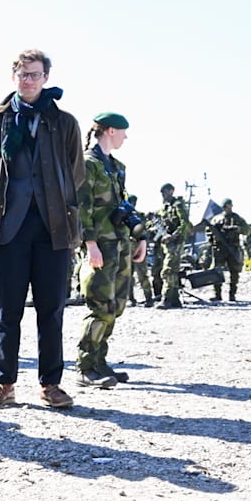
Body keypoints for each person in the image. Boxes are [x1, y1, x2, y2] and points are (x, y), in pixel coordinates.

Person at [0, 49, 85, 411]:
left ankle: (51, 384)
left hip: (54, 228)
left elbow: (75, 172)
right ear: (14, 77)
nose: (28, 81)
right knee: (6, 312)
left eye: (35, 75)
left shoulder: (64, 122)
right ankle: (4, 384)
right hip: (8, 228)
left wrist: (53, 198)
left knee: (51, 311)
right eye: (23, 75)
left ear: (45, 78)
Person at [73, 113, 147, 388]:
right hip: (100, 246)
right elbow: (82, 207)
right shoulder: (87, 163)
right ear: (111, 130)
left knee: (115, 307)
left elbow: (123, 206)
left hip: (120, 243)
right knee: (100, 306)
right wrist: (90, 244)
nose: (126, 137)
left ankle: (99, 361)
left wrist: (140, 236)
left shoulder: (116, 167)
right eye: (123, 132)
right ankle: (85, 366)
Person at [156, 183, 191, 309]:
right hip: (168, 243)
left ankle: (166, 299)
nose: (163, 195)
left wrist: (173, 236)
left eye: (164, 192)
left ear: (171, 191)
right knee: (173, 271)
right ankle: (175, 300)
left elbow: (185, 223)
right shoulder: (166, 208)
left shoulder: (178, 205)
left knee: (168, 270)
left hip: (175, 243)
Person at [208, 198, 249, 301]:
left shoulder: (237, 218)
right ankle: (217, 294)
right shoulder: (216, 219)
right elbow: (209, 231)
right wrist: (214, 235)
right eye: (225, 206)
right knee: (217, 271)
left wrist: (237, 229)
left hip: (233, 247)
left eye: (229, 205)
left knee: (234, 271)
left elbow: (247, 230)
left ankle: (232, 294)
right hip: (219, 249)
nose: (227, 208)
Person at [128, 195, 157, 307]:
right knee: (128, 276)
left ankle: (148, 298)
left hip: (138, 249)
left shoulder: (139, 216)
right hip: (128, 249)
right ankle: (131, 299)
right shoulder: (124, 215)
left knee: (142, 275)